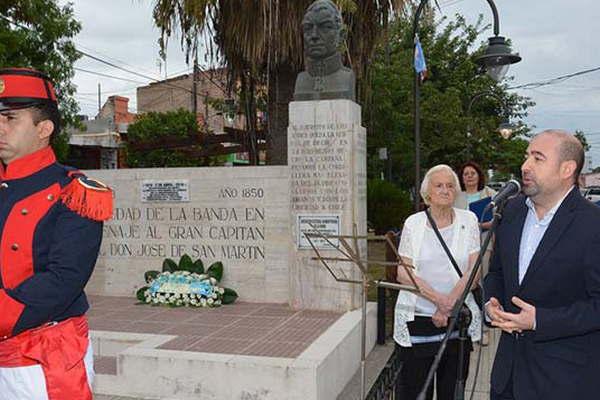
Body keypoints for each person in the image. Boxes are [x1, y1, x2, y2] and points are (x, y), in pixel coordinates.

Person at [0, 67, 112, 399]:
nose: (0, 127)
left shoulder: (75, 191)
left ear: (44, 128)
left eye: (11, 119)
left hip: (41, 358)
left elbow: (63, 279)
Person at [484, 130, 600, 399]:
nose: (525, 166)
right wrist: (491, 303)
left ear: (566, 169)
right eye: (527, 156)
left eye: (538, 158)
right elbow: (496, 274)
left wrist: (539, 321)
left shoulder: (592, 225)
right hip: (507, 378)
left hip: (565, 382)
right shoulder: (510, 212)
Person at [394, 164, 481, 400]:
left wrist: (449, 305)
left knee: (451, 391)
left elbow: (475, 270)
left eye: (450, 185)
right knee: (414, 391)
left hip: (456, 322)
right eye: (439, 185)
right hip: (418, 318)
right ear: (427, 193)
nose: (445, 190)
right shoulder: (414, 223)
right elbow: (404, 272)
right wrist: (439, 301)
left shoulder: (469, 220)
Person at [294, 0, 356, 101]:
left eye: (325, 27)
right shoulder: (301, 80)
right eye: (308, 28)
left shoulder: (346, 78)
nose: (314, 35)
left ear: (341, 35)